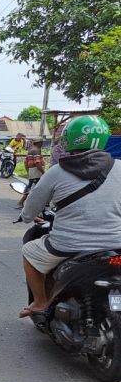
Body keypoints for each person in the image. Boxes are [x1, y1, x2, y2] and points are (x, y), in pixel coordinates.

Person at [20, 115, 121, 318]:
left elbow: (30, 210)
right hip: (115, 245)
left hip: (68, 246)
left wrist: (27, 216)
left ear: (69, 139)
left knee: (29, 251)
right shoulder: (119, 167)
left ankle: (40, 302)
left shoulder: (56, 172)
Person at [17, 138, 45, 208]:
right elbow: (38, 163)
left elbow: (26, 162)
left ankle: (23, 203)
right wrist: (44, 172)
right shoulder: (36, 151)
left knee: (31, 187)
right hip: (37, 172)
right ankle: (21, 202)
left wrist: (28, 171)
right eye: (41, 143)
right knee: (34, 188)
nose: (42, 144)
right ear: (39, 143)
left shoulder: (31, 150)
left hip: (32, 171)